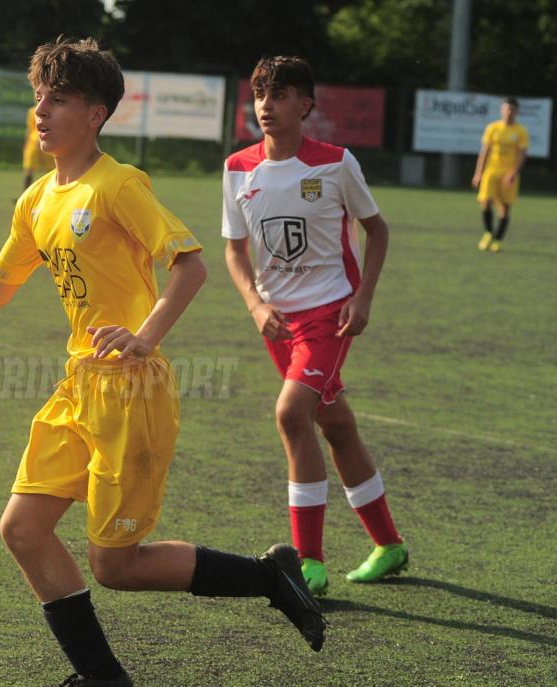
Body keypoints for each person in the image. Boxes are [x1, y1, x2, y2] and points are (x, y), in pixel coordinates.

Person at [0, 39, 325, 687]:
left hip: (131, 391)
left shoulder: (118, 184)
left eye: (59, 100)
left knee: (116, 565)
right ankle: (103, 677)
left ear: (96, 114)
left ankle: (269, 576)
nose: (41, 111)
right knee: (23, 529)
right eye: (38, 98)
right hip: (78, 385)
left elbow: (189, 266)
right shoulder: (36, 199)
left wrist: (144, 336)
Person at [222, 56, 407, 598]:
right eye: (260, 93)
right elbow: (234, 250)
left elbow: (377, 230)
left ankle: (308, 562)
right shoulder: (237, 167)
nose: (266, 105)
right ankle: (389, 545)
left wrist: (363, 297)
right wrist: (256, 306)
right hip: (277, 324)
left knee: (290, 413)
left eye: (279, 95)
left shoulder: (335, 163)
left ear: (305, 105)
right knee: (337, 426)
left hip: (329, 315)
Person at [472, 97, 528, 253]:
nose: (509, 112)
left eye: (512, 109)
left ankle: (497, 240)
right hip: (491, 171)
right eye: (506, 109)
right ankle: (488, 233)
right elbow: (484, 152)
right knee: (485, 201)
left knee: (504, 207)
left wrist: (514, 172)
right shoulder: (493, 128)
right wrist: (478, 173)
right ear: (501, 110)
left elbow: (522, 155)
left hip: (508, 173)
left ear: (516, 111)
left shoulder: (520, 131)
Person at [22, 103, 53, 190]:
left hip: (37, 141)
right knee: (50, 170)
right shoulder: (51, 111)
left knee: (30, 169)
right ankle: (50, 191)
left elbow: (29, 129)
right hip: (44, 141)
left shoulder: (33, 111)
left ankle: (26, 192)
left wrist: (26, 144)